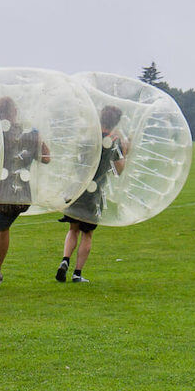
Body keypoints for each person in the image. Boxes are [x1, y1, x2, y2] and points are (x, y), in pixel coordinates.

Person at [0, 96, 50, 300]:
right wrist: (39, 138)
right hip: (20, 197)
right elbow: (47, 159)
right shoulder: (29, 134)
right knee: (3, 228)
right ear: (14, 113)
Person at [56, 105, 129, 283]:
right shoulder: (114, 142)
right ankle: (77, 273)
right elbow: (119, 169)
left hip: (78, 189)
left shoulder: (88, 138)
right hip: (94, 194)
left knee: (73, 228)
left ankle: (65, 260)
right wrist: (124, 151)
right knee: (87, 234)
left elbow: (75, 161)